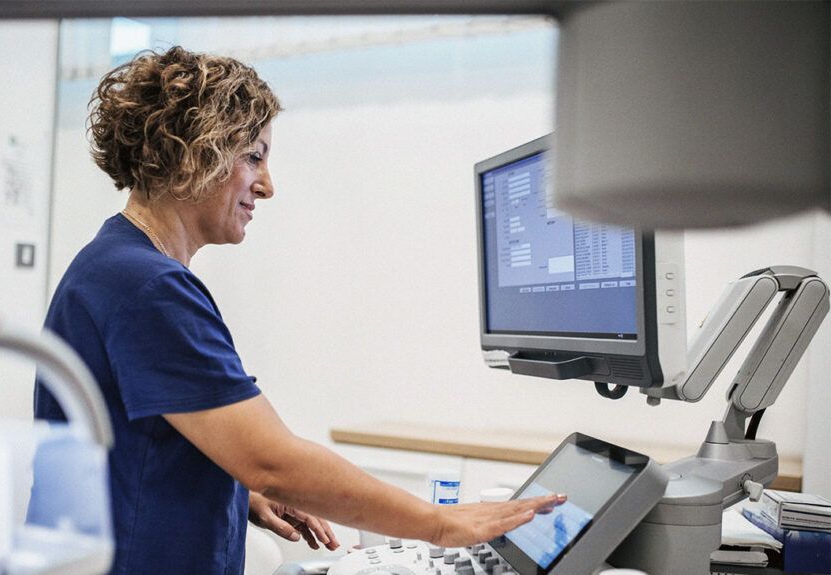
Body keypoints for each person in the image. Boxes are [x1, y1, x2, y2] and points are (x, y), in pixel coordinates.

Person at [33, 46, 564, 575]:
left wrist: (237, 493)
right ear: (198, 151)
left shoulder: (113, 265)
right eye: (254, 156)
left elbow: (140, 449)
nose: (266, 185)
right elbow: (271, 461)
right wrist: (442, 524)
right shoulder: (147, 286)